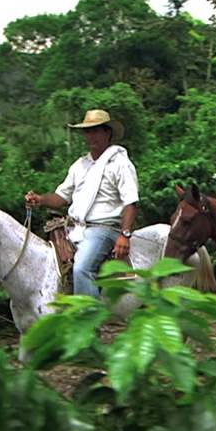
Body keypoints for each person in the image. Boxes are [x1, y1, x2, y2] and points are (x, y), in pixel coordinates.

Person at [25, 109, 138, 299]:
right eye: (87, 131)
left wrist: (124, 235)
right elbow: (62, 197)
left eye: (95, 130)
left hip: (103, 229)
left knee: (82, 268)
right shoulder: (80, 165)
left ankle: (88, 320)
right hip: (74, 227)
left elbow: (131, 202)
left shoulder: (120, 163)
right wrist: (41, 199)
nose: (90, 135)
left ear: (107, 132)